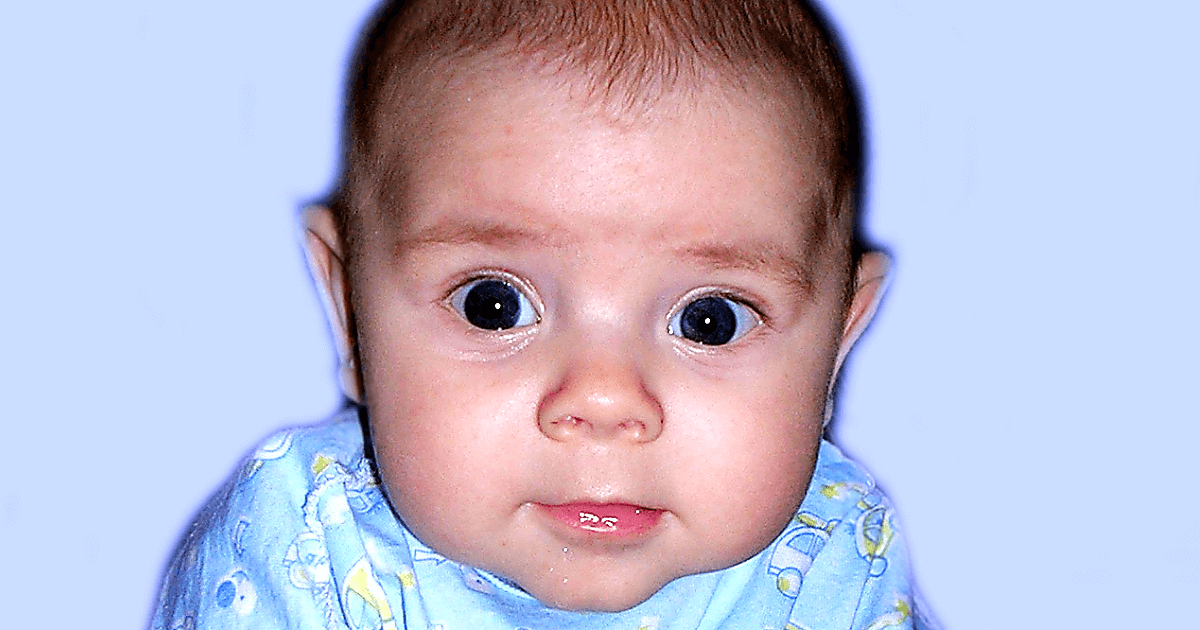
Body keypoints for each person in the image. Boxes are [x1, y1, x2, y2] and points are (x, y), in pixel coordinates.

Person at [152, 1, 936, 628]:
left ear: (836, 346)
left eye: (711, 320)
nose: (604, 400)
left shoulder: (841, 561)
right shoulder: (304, 546)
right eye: (494, 306)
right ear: (351, 314)